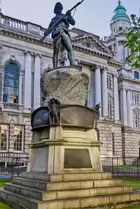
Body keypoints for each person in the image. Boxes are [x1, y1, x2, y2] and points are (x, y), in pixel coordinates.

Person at [45, 2, 76, 68]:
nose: (59, 9)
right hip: (57, 33)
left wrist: (69, 16)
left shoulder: (65, 16)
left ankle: (73, 63)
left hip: (64, 32)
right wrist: (46, 32)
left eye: (60, 8)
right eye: (58, 8)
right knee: (56, 51)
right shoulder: (53, 20)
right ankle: (55, 67)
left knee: (70, 49)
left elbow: (73, 22)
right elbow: (48, 30)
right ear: (55, 10)